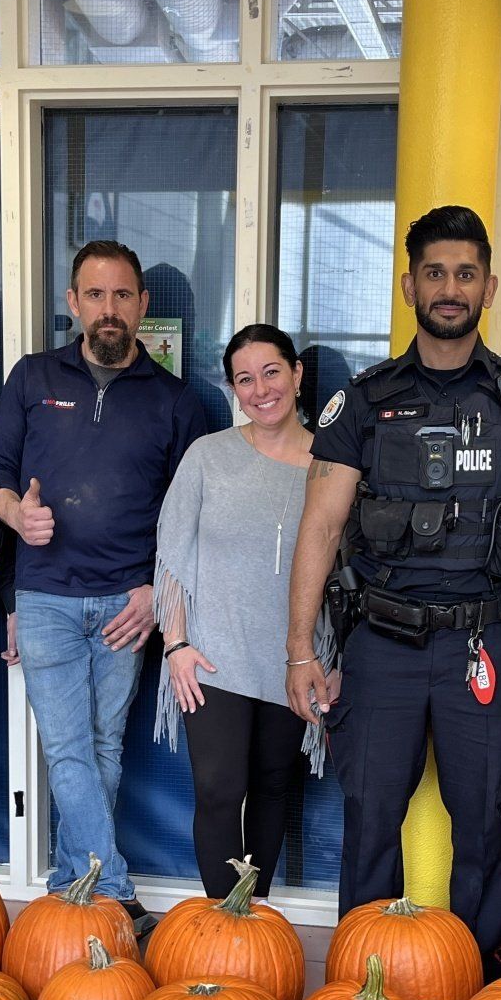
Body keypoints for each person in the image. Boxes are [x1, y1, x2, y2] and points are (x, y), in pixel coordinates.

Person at [286, 205, 501, 978]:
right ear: (408, 285)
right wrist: (300, 653)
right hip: (380, 644)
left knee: (481, 821)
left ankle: (479, 977)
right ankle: (363, 976)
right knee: (369, 817)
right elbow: (319, 530)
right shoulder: (364, 399)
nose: (449, 288)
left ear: (488, 286)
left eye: (464, 273)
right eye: (434, 273)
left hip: (481, 644)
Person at [0, 240, 206, 935]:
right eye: (95, 295)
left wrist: (153, 594)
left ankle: (69, 891)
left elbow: (189, 518)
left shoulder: (178, 402)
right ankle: (114, 889)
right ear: (73, 302)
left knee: (104, 747)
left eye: (122, 296)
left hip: (126, 605)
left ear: (142, 306)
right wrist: (16, 511)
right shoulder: (31, 377)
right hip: (46, 594)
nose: (108, 310)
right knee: (70, 748)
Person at [154, 323, 325, 898]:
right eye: (244, 380)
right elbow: (172, 554)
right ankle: (222, 924)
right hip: (214, 653)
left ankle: (255, 920)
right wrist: (176, 645)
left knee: (274, 785)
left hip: (292, 658)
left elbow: (347, 568)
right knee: (221, 789)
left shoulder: (333, 467)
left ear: (297, 375)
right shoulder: (208, 456)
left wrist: (329, 656)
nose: (260, 389)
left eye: (271, 372)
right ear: (233, 389)